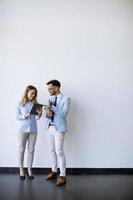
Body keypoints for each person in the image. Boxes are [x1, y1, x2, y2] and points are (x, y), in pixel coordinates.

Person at [45, 80, 70, 186]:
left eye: (50, 89)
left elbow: (63, 114)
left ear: (57, 88)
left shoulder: (66, 99)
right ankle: (54, 171)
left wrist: (52, 108)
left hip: (59, 129)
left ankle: (63, 175)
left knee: (59, 151)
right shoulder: (50, 99)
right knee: (52, 151)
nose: (49, 91)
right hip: (50, 127)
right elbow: (48, 114)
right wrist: (48, 112)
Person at [16, 85, 42, 180]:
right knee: (21, 149)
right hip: (22, 129)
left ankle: (29, 169)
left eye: (34, 93)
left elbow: (36, 118)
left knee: (31, 150)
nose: (33, 95)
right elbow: (17, 116)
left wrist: (39, 115)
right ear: (27, 93)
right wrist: (24, 116)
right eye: (31, 93)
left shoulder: (36, 104)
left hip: (33, 130)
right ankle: (21, 169)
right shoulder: (20, 103)